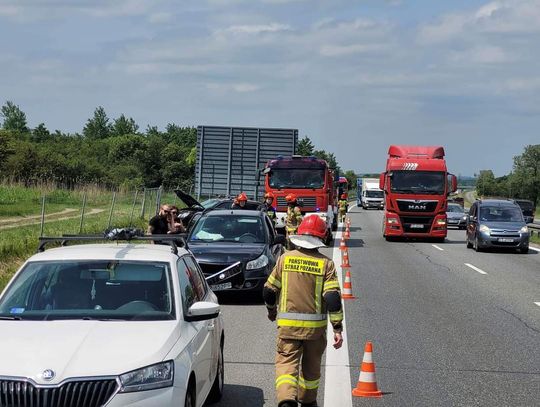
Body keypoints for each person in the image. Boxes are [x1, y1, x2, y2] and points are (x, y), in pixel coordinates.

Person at [263, 215, 344, 407]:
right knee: (311, 371)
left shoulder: (284, 259)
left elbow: (268, 290)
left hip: (288, 329)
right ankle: (307, 402)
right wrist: (337, 328)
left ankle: (286, 401)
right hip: (314, 332)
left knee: (286, 366)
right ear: (321, 238)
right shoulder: (326, 264)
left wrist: (271, 310)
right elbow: (332, 298)